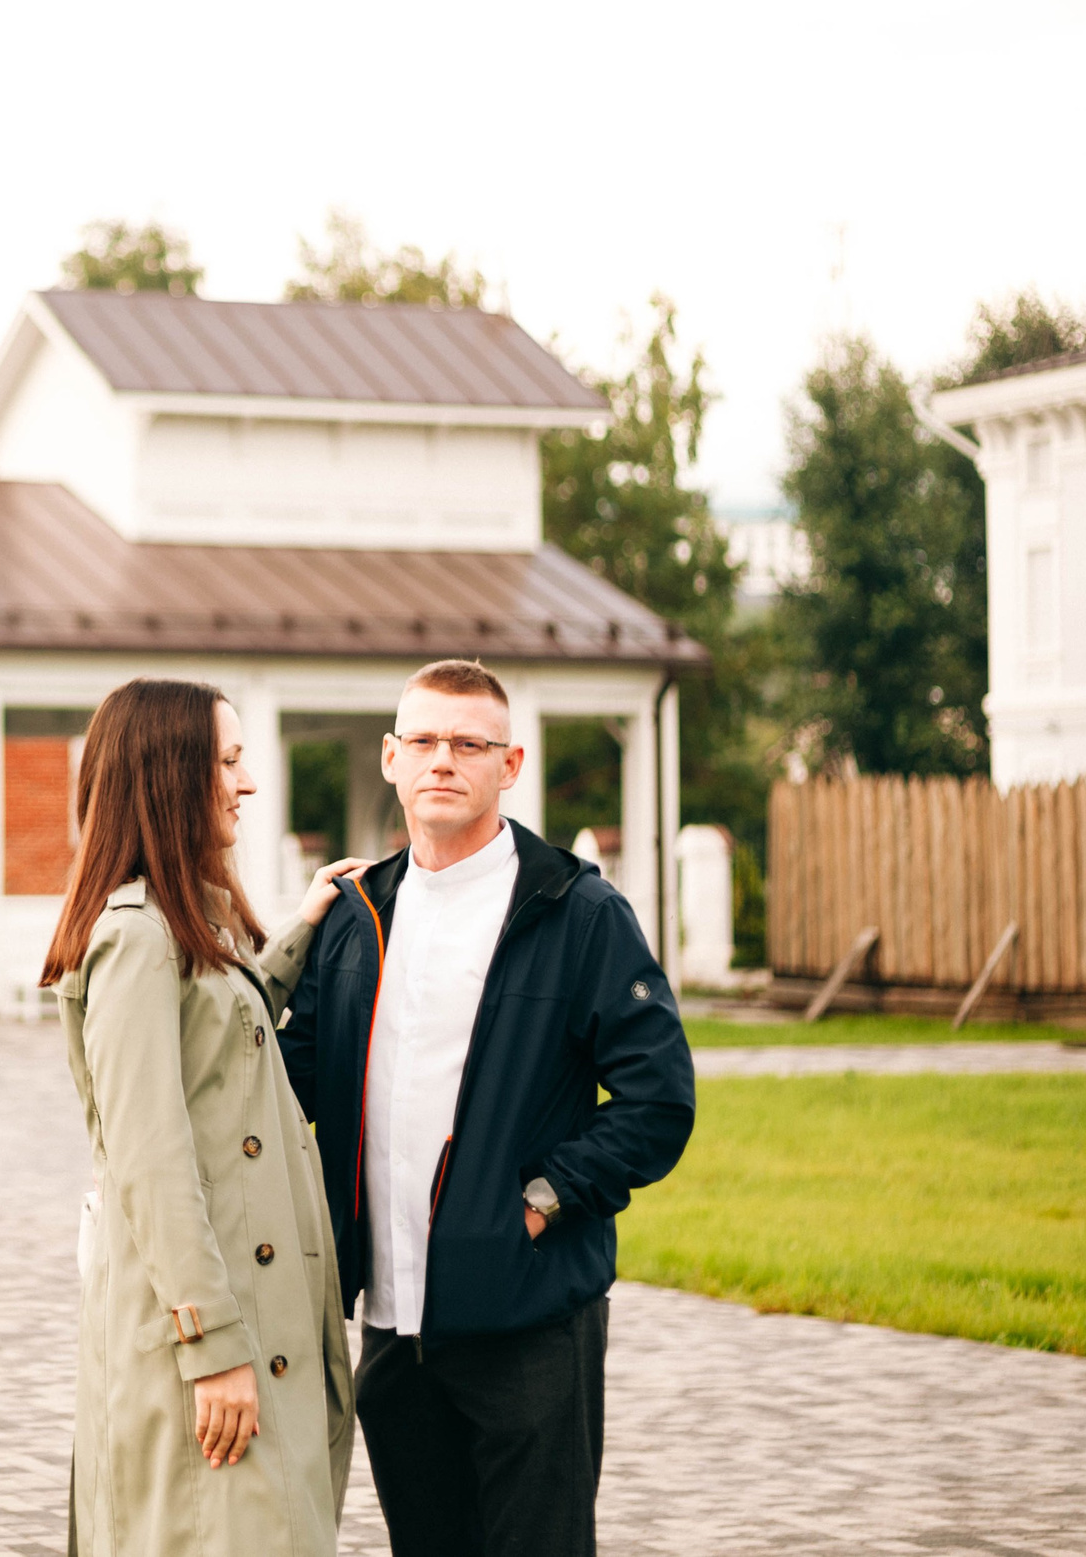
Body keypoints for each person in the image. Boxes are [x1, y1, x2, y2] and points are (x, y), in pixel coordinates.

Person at [278, 659, 696, 1557]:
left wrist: (546, 1199)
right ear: (390, 757)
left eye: (469, 744)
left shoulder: (577, 910)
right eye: (424, 741)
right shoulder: (354, 914)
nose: (443, 760)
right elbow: (281, 1087)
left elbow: (658, 1100)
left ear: (509, 765)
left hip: (528, 1319)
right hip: (391, 1321)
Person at [45, 676, 371, 1557]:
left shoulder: (179, 927)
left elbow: (218, 1034)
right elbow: (149, 1158)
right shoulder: (132, 939)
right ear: (169, 773)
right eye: (228, 761)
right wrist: (213, 1345)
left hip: (242, 1327)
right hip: (200, 1343)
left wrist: (299, 929)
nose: (247, 782)